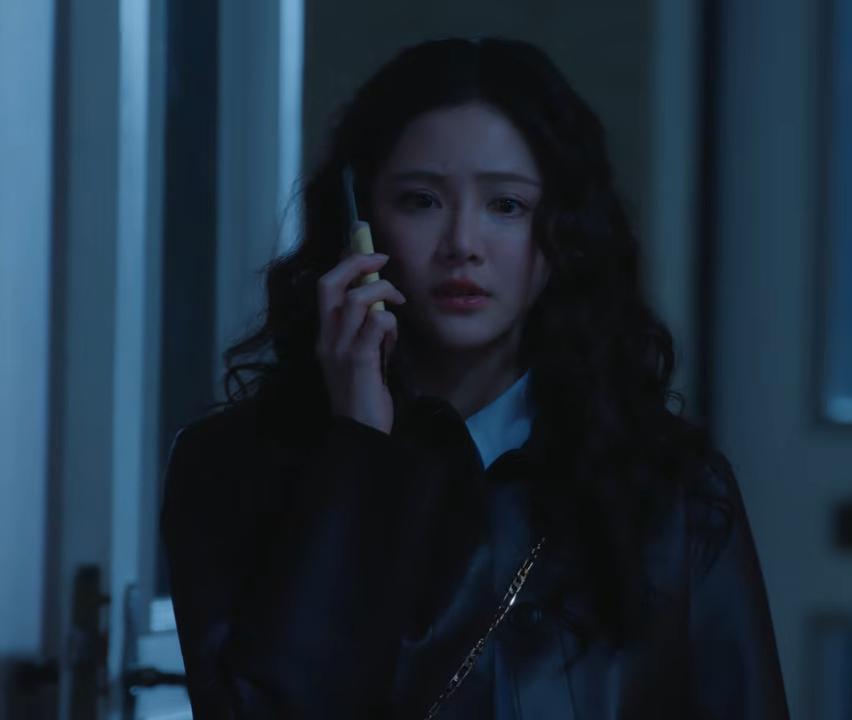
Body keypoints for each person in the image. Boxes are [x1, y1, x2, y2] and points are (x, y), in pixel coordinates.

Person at [160, 36, 789, 719]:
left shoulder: (672, 487)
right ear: (359, 223)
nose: (463, 243)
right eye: (421, 201)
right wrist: (357, 452)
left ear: (564, 231)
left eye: (506, 206)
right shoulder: (228, 465)